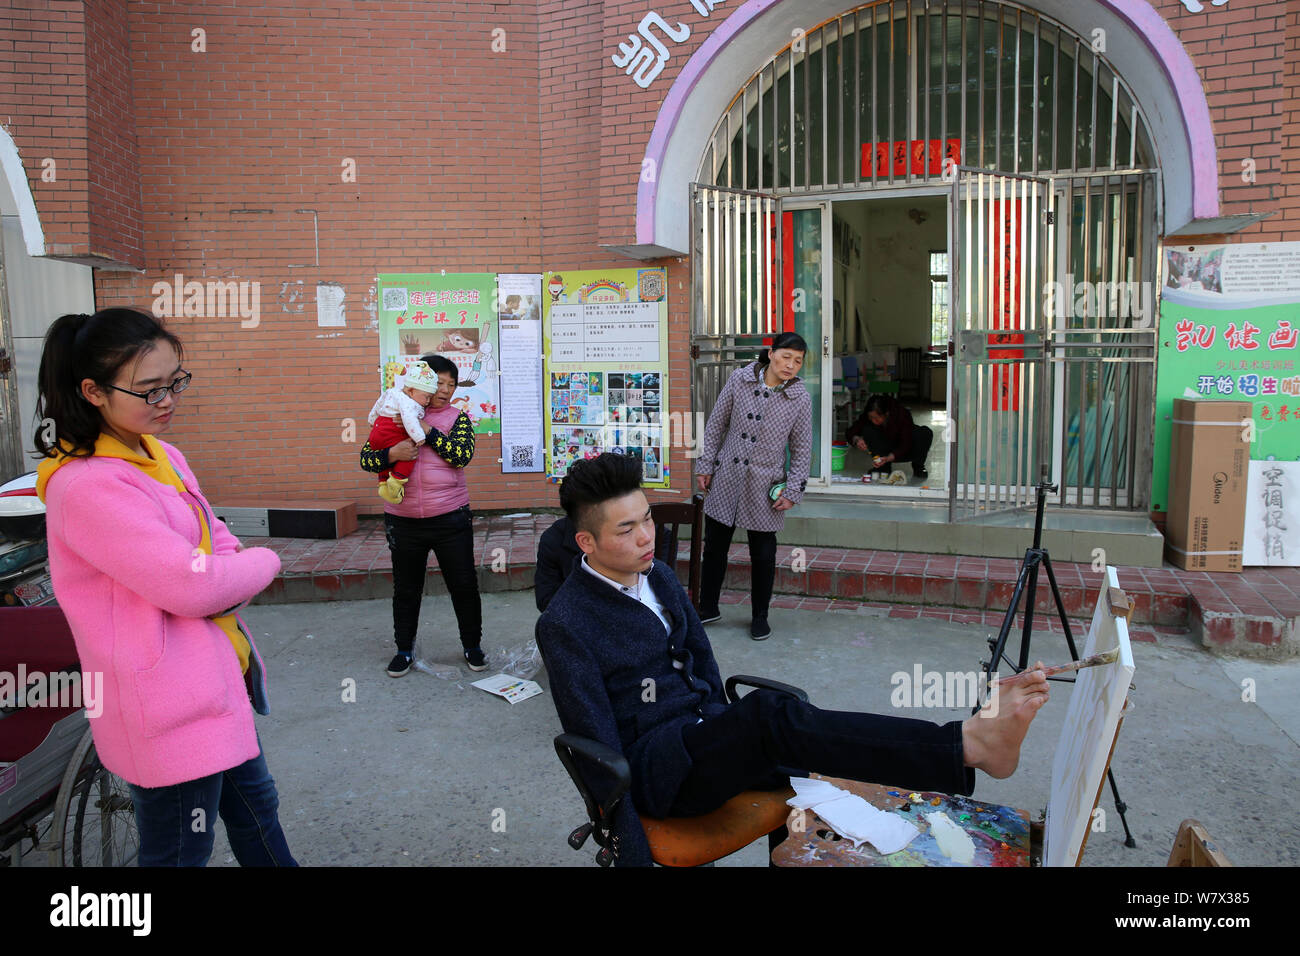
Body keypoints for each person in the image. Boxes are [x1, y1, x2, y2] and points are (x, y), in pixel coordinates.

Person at [535, 453, 1050, 867]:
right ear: (587, 541)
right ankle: (965, 744)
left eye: (646, 519)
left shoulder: (660, 578)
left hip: (705, 739)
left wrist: (726, 733)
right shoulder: (566, 622)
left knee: (795, 724)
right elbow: (596, 746)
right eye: (626, 530)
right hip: (659, 771)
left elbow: (706, 672)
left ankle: (961, 754)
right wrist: (631, 847)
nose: (646, 536)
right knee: (770, 716)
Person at [33, 307, 295, 866]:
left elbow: (219, 544)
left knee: (259, 818)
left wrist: (226, 572)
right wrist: (267, 560)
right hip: (165, 710)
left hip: (217, 688)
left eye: (174, 381)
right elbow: (195, 586)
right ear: (93, 391)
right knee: (179, 851)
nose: (168, 400)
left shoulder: (160, 454)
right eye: (149, 390)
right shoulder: (86, 486)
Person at [359, 354, 486, 677]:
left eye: (451, 384)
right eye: (439, 382)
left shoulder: (458, 418)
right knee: (406, 588)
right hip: (402, 521)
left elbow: (461, 456)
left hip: (451, 518)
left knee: (463, 584)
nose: (444, 390)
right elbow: (366, 458)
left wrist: (426, 430)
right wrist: (392, 454)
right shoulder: (395, 412)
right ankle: (404, 650)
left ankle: (472, 646)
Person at [695, 331, 812, 640]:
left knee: (763, 553)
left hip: (765, 483)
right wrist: (706, 465)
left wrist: (792, 490)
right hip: (727, 476)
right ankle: (708, 607)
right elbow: (717, 423)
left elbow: (802, 448)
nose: (790, 365)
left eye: (797, 361)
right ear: (771, 353)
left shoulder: (799, 397)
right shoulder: (740, 380)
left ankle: (760, 615)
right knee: (715, 546)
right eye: (786, 356)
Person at [365, 360, 439, 503]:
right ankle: (397, 480)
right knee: (410, 453)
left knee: (384, 455)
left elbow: (378, 404)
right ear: (411, 391)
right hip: (391, 432)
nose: (428, 401)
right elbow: (409, 418)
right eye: (427, 397)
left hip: (377, 431)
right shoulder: (409, 402)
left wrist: (372, 419)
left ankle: (383, 483)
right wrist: (418, 437)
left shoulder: (392, 392)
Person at [846, 393, 934, 481]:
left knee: (925, 433)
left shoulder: (902, 414)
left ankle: (918, 466)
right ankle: (882, 467)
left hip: (904, 448)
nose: (873, 421)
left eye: (876, 418)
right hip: (884, 447)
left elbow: (906, 442)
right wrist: (857, 439)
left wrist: (889, 457)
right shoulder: (868, 415)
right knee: (868, 430)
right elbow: (851, 431)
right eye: (871, 418)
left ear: (886, 414)